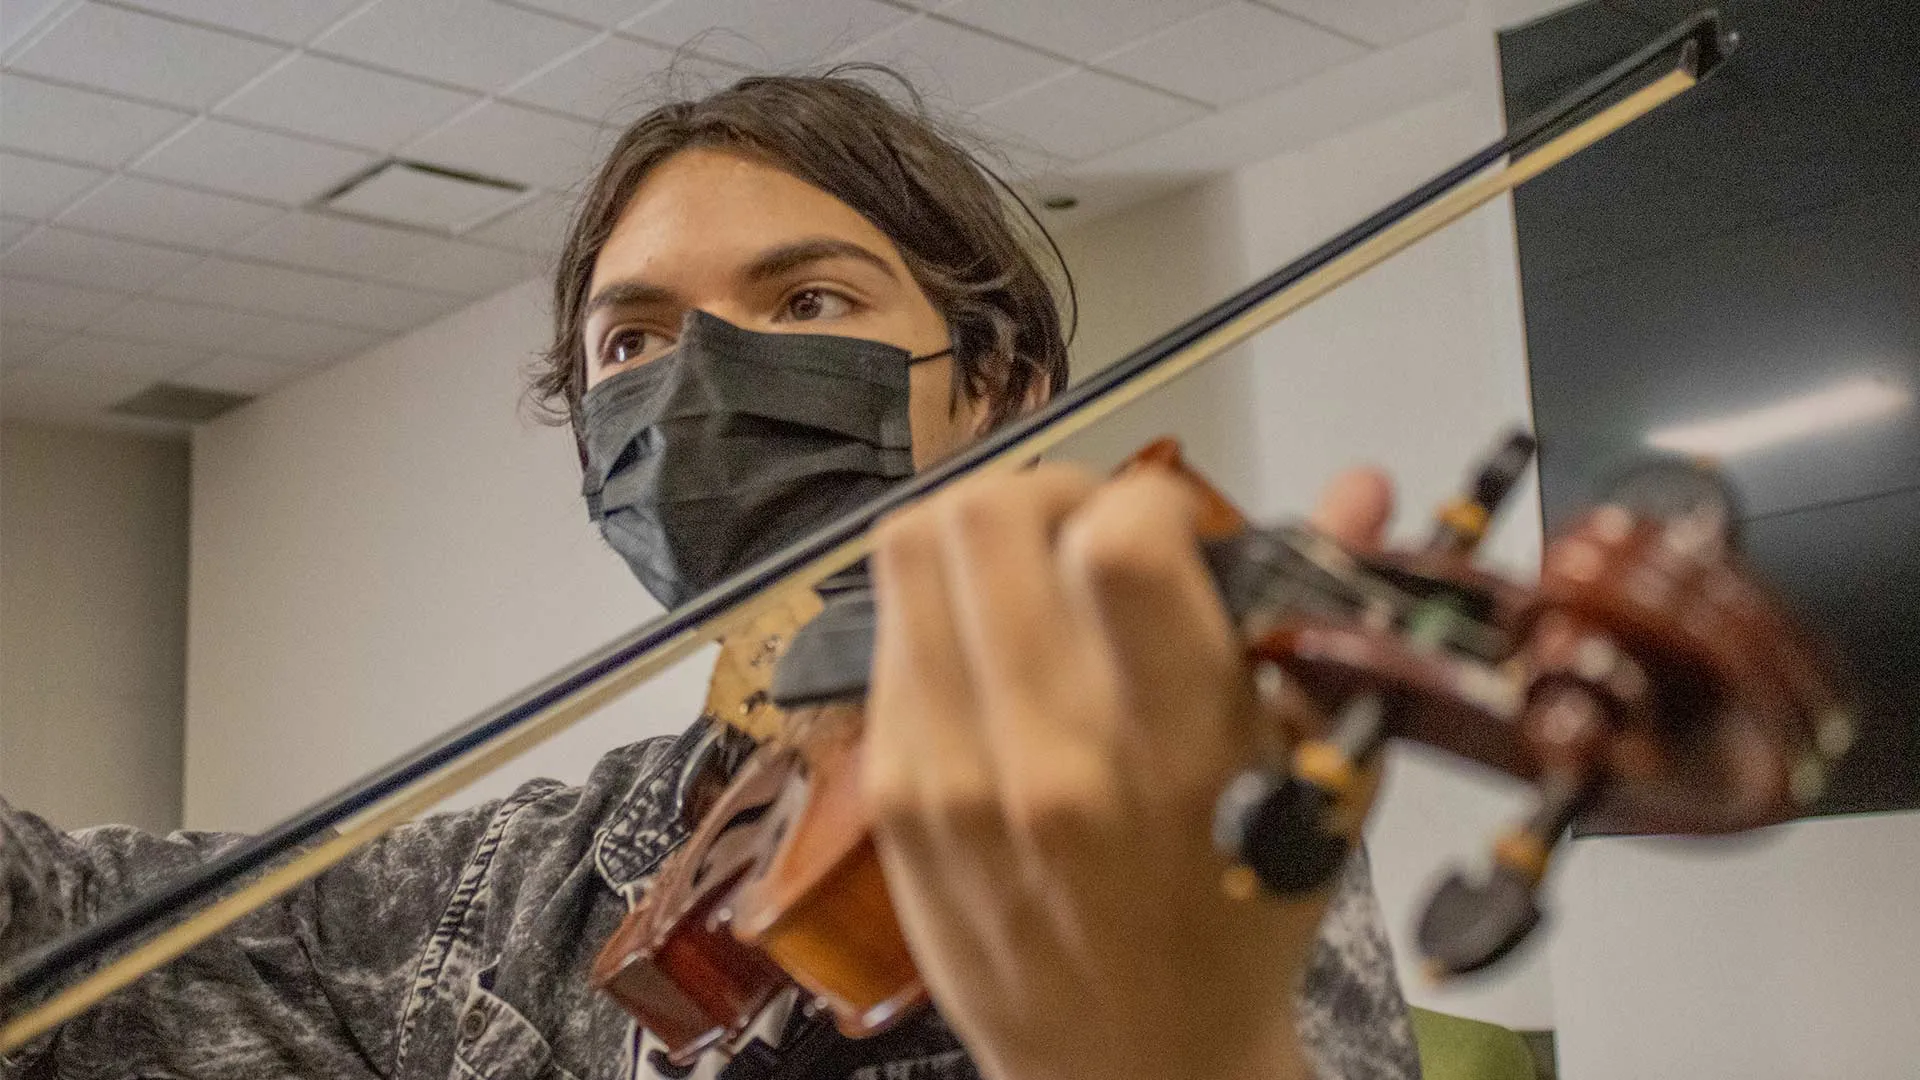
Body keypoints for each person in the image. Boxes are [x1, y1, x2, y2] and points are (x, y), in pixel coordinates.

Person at [0, 72, 1419, 1080]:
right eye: (634, 342)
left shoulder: (1167, 807)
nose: (699, 388)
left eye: (808, 303)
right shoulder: (517, 881)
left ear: (997, 389)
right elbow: (70, 928)